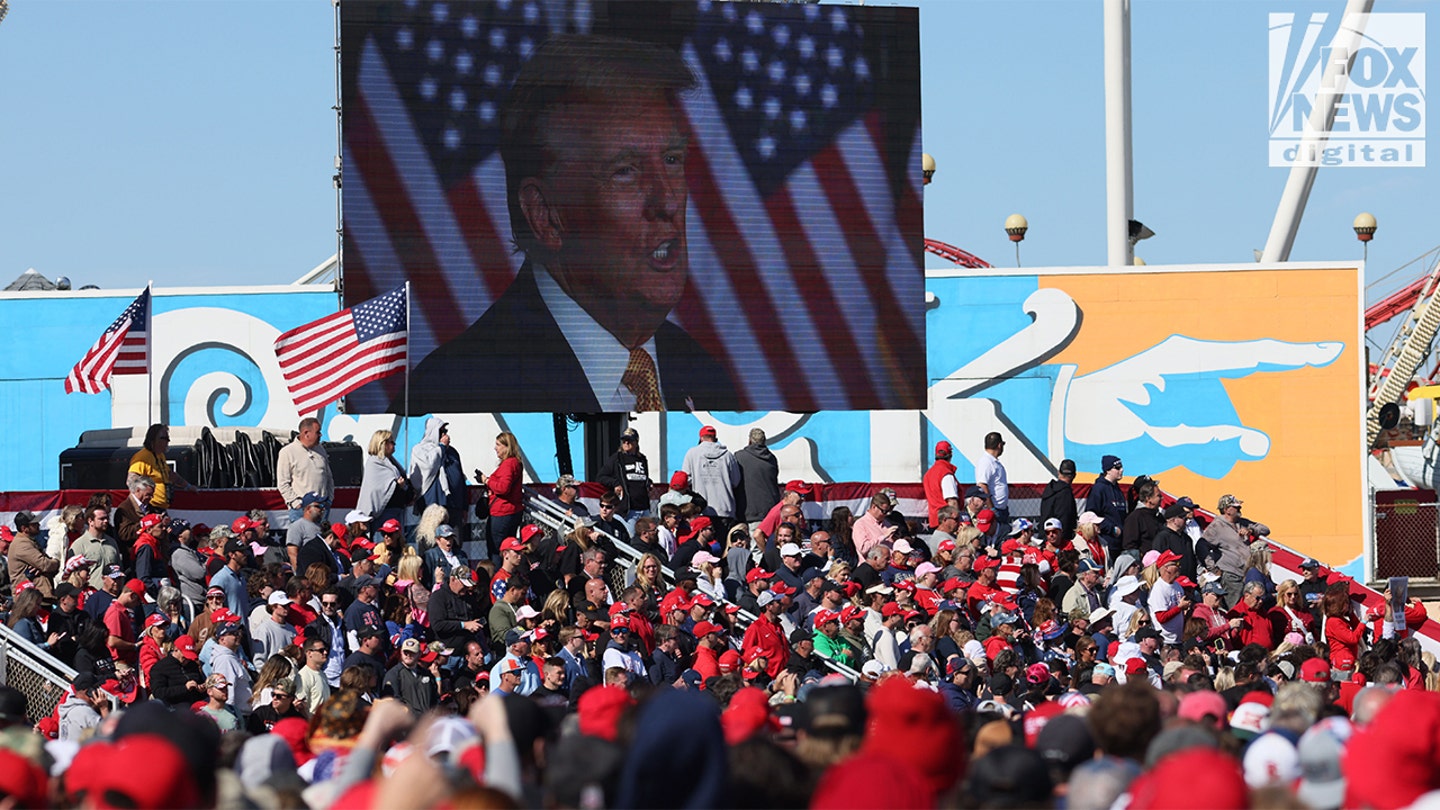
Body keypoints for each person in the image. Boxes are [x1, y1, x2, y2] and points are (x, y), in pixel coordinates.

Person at [404, 34, 738, 414]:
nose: (668, 200)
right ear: (546, 216)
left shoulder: (707, 378)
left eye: (673, 160)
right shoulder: (455, 390)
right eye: (626, 171)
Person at [276, 417, 334, 522]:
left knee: (321, 538)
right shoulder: (287, 452)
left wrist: (329, 499)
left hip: (322, 508)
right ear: (306, 433)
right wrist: (296, 503)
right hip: (301, 511)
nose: (320, 435)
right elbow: (283, 483)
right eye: (318, 432)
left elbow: (329, 477)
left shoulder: (321, 450)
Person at [128, 423, 196, 511]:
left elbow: (171, 476)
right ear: (154, 439)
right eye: (165, 438)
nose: (168, 441)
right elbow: (131, 481)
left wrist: (188, 486)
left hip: (161, 507)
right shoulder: (142, 457)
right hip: (149, 507)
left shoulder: (160, 456)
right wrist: (141, 504)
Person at [597, 427, 653, 531]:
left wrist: (648, 483)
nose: (626, 443)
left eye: (629, 440)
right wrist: (615, 483)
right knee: (630, 539)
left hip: (644, 507)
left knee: (648, 537)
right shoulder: (617, 458)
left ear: (636, 442)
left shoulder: (642, 459)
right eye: (624, 440)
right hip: (629, 510)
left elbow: (641, 477)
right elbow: (601, 477)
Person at [682, 425, 742, 521]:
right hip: (725, 509)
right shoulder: (728, 455)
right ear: (715, 438)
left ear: (701, 438)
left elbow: (686, 479)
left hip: (701, 510)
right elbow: (736, 481)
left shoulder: (692, 453)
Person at [481, 432, 525, 550]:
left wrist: (487, 481)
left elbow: (503, 488)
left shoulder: (509, 464)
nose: (495, 448)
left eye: (498, 444)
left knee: (497, 549)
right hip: (512, 510)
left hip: (502, 512)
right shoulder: (516, 463)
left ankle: (498, 568)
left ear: (507, 447)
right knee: (508, 547)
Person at [358, 429, 410, 525]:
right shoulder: (374, 462)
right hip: (383, 511)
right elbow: (376, 489)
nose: (394, 445)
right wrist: (396, 484)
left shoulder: (391, 462)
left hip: (397, 509)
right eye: (391, 442)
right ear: (383, 444)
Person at [1084, 455, 1127, 558]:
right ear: (1108, 470)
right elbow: (1090, 515)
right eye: (1117, 468)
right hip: (1107, 542)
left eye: (1121, 467)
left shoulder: (1117, 489)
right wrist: (1112, 529)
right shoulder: (1098, 489)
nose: (1121, 470)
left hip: (1120, 544)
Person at [736, 428, 781, 526]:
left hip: (749, 512)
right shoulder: (772, 458)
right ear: (764, 441)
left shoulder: (739, 457)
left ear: (750, 441)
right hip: (770, 511)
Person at [8, 511, 58, 598]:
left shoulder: (30, 541)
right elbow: (45, 564)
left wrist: (45, 567)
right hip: (27, 598)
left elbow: (45, 564)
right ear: (24, 528)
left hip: (38, 595)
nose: (38, 525)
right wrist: (57, 562)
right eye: (34, 524)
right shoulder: (21, 544)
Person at [974, 432, 1010, 538]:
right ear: (999, 445)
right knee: (995, 537)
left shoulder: (993, 462)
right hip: (994, 509)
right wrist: (991, 508)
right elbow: (982, 485)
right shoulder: (986, 462)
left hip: (1000, 508)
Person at [1039, 459, 1079, 540]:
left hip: (1045, 535)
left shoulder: (1049, 489)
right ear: (1074, 475)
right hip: (1057, 540)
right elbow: (1065, 520)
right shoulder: (1065, 493)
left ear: (1059, 473)